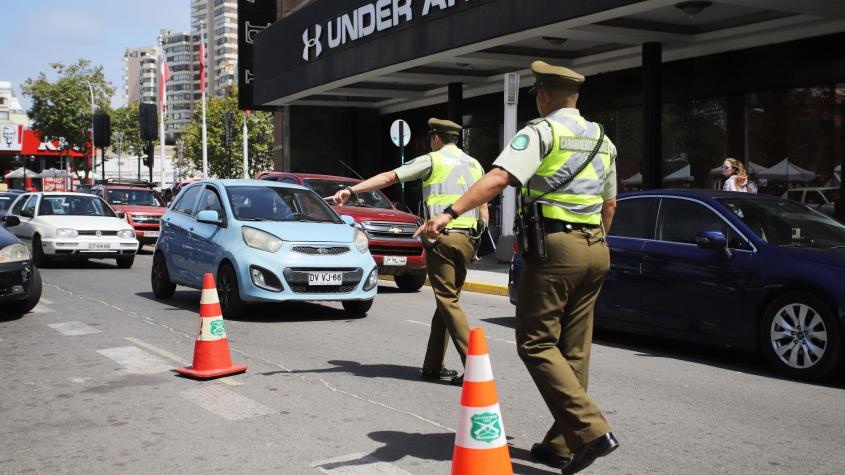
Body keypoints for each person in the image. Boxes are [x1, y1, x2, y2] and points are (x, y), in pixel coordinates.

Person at [416, 61, 619, 475]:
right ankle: (562, 444)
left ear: (545, 95)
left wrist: (448, 213)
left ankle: (592, 431)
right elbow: (610, 205)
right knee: (574, 349)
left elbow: (497, 179)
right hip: (597, 247)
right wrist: (593, 242)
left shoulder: (541, 132)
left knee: (535, 342)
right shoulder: (603, 139)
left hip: (557, 248)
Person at [330, 118, 488, 385]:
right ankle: (432, 366)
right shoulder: (475, 164)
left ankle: (474, 366)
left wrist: (350, 190)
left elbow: (390, 177)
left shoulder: (433, 160)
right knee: (446, 302)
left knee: (448, 302)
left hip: (443, 238)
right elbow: (483, 206)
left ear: (435, 138)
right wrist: (479, 242)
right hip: (468, 239)